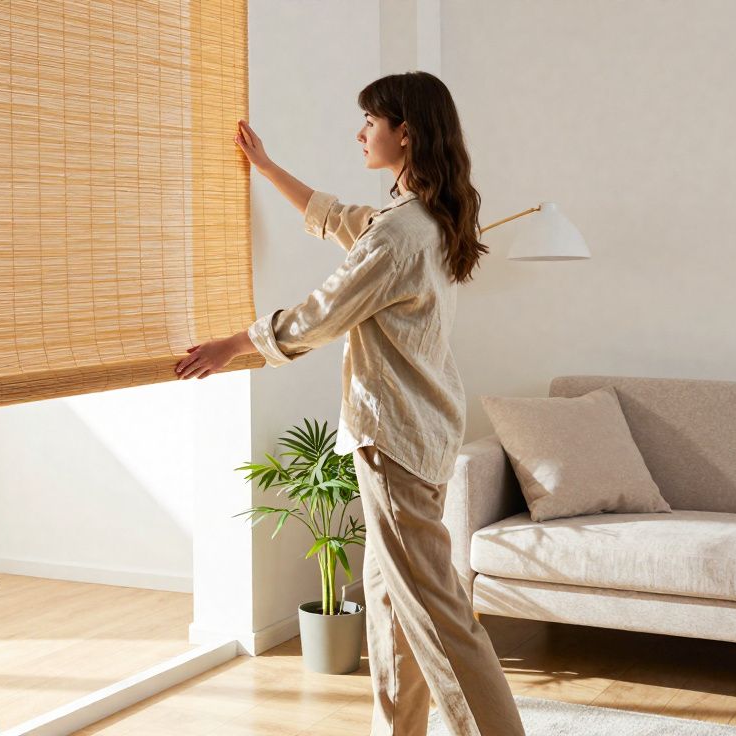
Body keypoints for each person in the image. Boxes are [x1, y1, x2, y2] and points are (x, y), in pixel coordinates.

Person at [173, 71, 526, 736]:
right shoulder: (421, 221)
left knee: (437, 615)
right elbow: (339, 219)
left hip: (393, 439)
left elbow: (321, 314)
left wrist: (232, 345)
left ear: (406, 133)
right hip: (418, 436)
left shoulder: (398, 238)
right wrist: (268, 167)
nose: (359, 132)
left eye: (370, 121)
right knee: (392, 608)